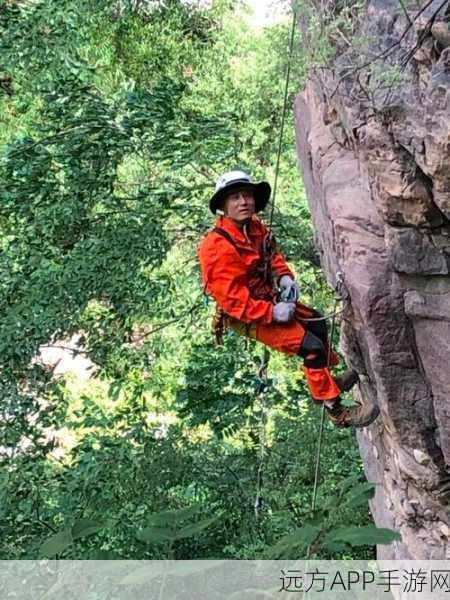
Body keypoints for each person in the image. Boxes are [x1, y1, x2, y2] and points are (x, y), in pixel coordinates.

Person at [198, 170, 379, 428]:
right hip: (249, 314)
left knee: (316, 321)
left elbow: (272, 256)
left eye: (247, 195)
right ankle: (336, 410)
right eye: (235, 197)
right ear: (224, 206)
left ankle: (325, 383)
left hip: (269, 300)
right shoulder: (217, 248)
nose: (243, 202)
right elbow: (234, 302)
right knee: (310, 346)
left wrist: (284, 277)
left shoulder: (255, 227)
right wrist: (273, 313)